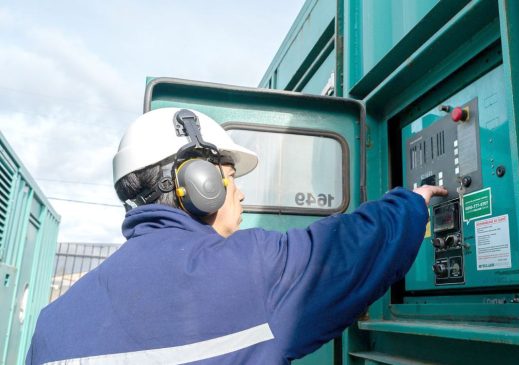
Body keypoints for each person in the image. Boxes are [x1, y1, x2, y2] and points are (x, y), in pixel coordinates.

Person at [27, 108, 447, 364]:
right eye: (228, 178)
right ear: (199, 182)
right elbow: (352, 246)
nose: (240, 191)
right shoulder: (252, 271)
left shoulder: (52, 322)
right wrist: (413, 202)